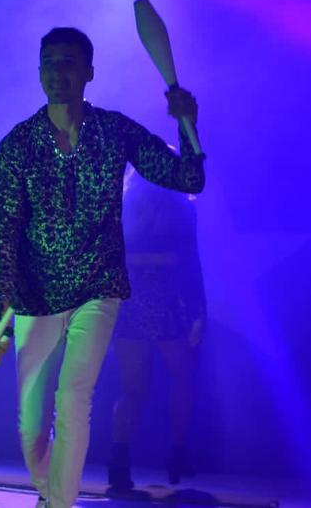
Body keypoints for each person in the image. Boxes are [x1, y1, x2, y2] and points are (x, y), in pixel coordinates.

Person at [0, 25, 205, 508]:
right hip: (35, 294)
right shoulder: (17, 145)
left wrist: (187, 126)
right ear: (39, 72)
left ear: (88, 72)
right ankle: (51, 493)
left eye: (67, 62)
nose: (56, 72)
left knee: (74, 399)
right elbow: (4, 229)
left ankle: (58, 504)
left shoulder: (114, 131)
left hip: (98, 288)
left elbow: (187, 178)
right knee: (30, 426)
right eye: (48, 63)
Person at [106, 165, 206, 490]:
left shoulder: (121, 205)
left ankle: (119, 460)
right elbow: (190, 263)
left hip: (130, 302)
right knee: (183, 379)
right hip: (168, 302)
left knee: (133, 390)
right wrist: (197, 310)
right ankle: (178, 452)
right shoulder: (181, 209)